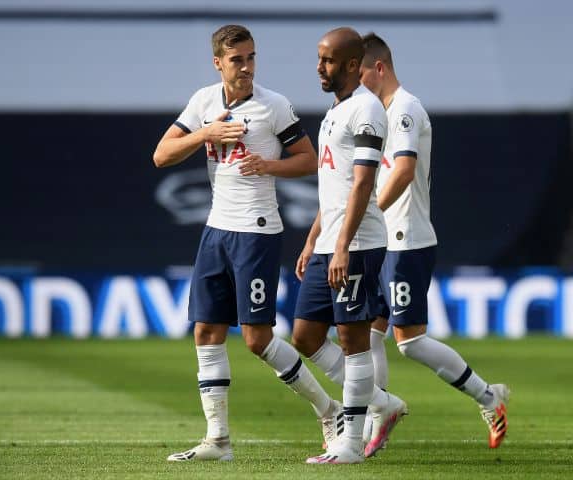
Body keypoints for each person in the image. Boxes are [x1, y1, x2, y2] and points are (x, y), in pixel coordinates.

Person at [153, 24, 342, 462]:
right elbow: (161, 155)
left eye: (251, 57)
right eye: (237, 60)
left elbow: (310, 161)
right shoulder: (203, 102)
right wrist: (205, 135)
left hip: (256, 231)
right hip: (216, 229)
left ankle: (329, 410)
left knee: (257, 339)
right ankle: (217, 440)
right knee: (206, 330)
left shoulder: (272, 106)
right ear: (218, 63)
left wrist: (268, 166)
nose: (246, 67)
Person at [358, 32, 510, 450]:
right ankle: (379, 415)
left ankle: (488, 395)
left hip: (406, 236)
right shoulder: (378, 110)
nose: (357, 83)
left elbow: (404, 171)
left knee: (410, 342)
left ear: (380, 68)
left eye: (361, 73)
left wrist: (370, 211)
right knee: (368, 330)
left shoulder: (406, 108)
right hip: (383, 236)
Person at [291, 27, 407, 465]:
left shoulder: (367, 110)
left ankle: (352, 444)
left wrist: (341, 247)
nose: (320, 67)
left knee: (352, 339)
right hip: (329, 242)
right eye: (319, 58)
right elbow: (334, 186)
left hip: (356, 243)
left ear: (354, 65)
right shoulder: (334, 110)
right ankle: (381, 403)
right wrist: (313, 239)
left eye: (328, 60)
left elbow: (362, 184)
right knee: (304, 335)